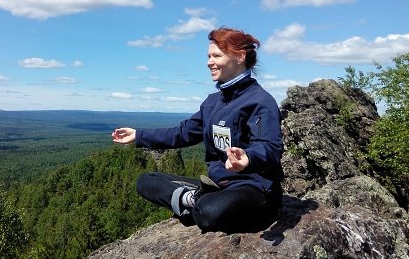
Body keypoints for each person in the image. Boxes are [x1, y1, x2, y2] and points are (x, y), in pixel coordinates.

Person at [111, 27, 284, 234]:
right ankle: (194, 199)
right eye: (208, 56)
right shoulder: (213, 102)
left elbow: (271, 147)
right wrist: (139, 135)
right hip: (218, 185)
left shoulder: (259, 101)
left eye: (216, 56)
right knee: (146, 181)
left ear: (239, 56)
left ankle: (196, 203)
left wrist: (247, 157)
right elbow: (182, 133)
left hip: (255, 189)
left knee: (209, 213)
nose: (209, 62)